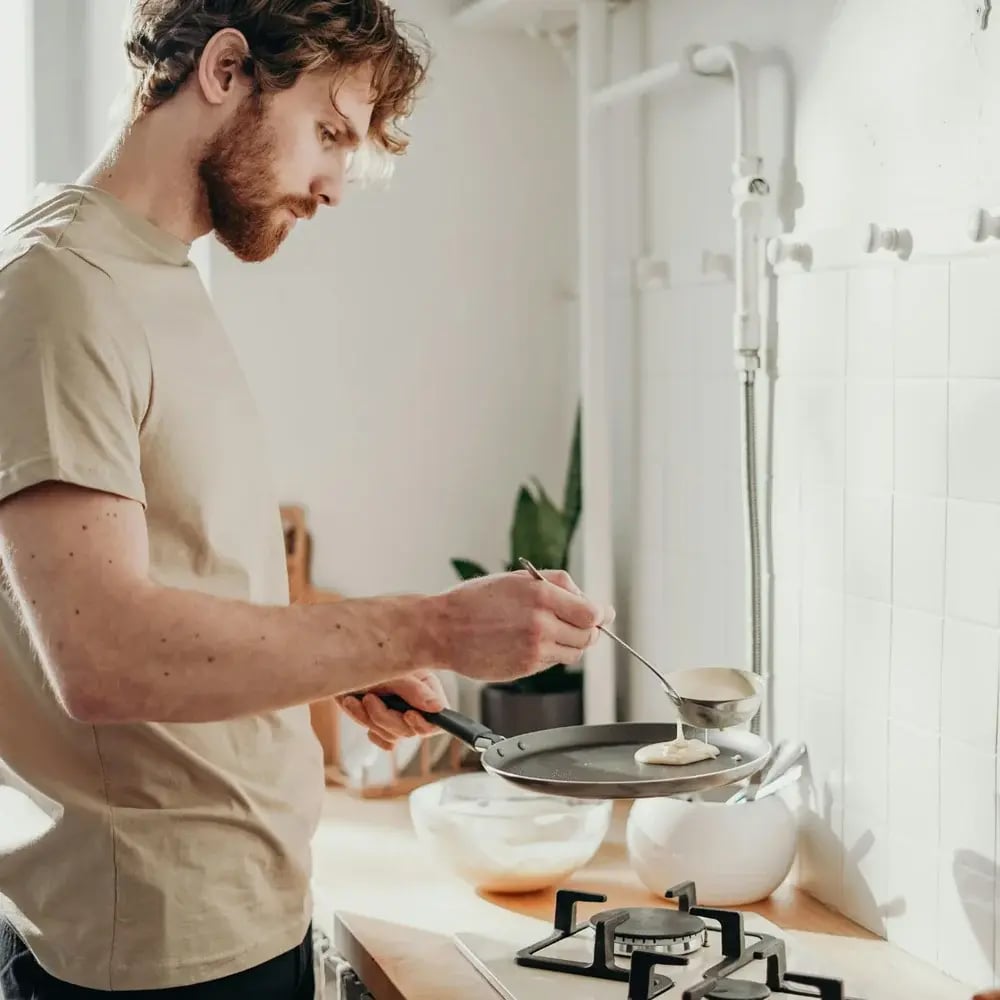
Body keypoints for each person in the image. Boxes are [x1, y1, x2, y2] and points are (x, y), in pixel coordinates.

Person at [0, 1, 613, 997]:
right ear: (225, 69)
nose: (335, 182)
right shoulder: (62, 288)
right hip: (152, 952)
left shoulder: (155, 278)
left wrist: (335, 666)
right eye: (328, 131)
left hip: (244, 912)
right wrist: (432, 626)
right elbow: (103, 655)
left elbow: (181, 581)